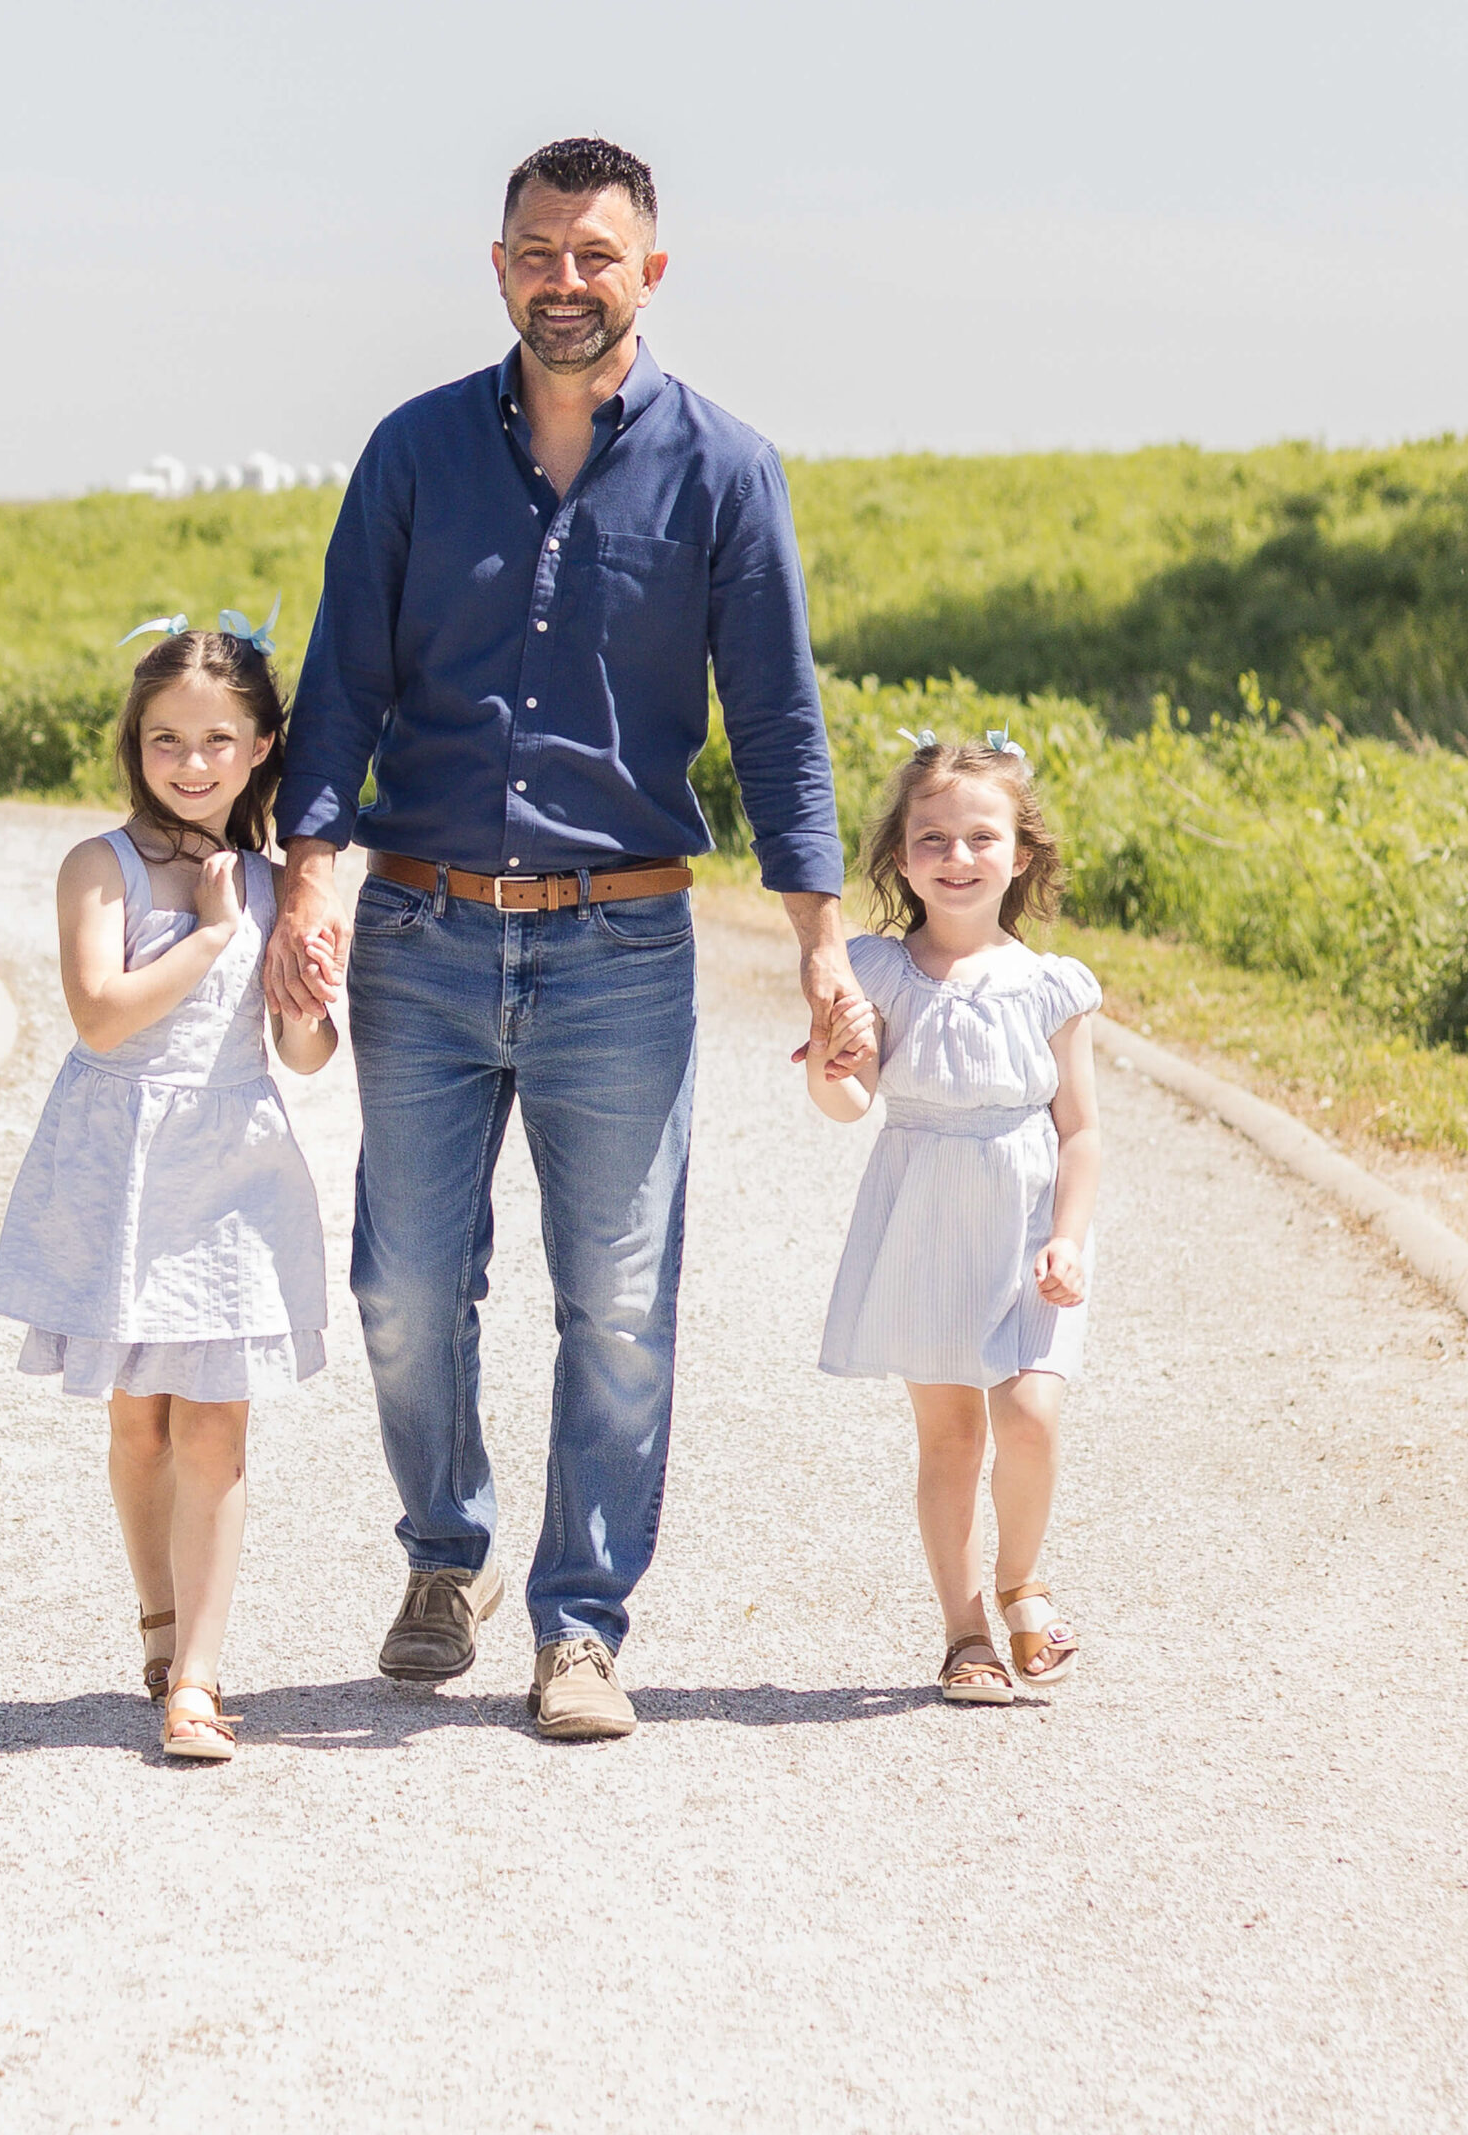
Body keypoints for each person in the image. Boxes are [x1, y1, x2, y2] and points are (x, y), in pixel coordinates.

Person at [264, 135, 871, 1742]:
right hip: (423, 932)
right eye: (538, 250)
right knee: (404, 1290)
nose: (566, 279)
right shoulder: (410, 456)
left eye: (596, 254)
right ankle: (442, 1553)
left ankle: (581, 1623)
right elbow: (339, 691)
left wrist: (822, 945)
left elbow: (779, 726)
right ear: (499, 264)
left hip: (622, 951)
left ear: (649, 272)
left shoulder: (724, 472)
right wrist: (313, 879)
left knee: (615, 1295)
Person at [0, 612, 337, 1762]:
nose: (191, 764)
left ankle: (199, 1678)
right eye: (164, 740)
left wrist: (305, 991)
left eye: (217, 741)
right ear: (133, 744)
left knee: (216, 1423)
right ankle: (159, 1617)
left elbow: (304, 1058)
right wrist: (206, 937)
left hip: (232, 1164)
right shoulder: (102, 865)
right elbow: (98, 1015)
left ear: (263, 748)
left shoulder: (282, 880)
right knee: (137, 1418)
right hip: (120, 1163)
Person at [805, 728, 1100, 1705]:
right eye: (931, 839)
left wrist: (1065, 1234)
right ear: (901, 859)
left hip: (1027, 1233)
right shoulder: (875, 974)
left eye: (980, 837)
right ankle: (964, 1631)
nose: (957, 856)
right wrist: (829, 1063)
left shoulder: (1050, 986)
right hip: (925, 1222)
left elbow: (1081, 1133)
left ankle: (1020, 1580)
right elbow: (848, 1104)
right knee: (949, 1439)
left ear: (1019, 854)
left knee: (1026, 1416)